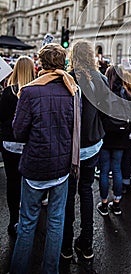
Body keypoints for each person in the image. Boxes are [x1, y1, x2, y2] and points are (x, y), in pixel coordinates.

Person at [9, 43, 79, 274]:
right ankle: (51, 270)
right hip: (61, 166)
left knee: (28, 222)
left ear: (41, 63)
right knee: (56, 222)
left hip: (35, 166)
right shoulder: (72, 89)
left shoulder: (29, 91)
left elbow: (18, 131)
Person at [61, 40, 107, 261]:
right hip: (92, 145)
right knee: (86, 191)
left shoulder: (66, 78)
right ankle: (87, 245)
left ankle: (66, 246)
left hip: (70, 148)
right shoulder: (101, 79)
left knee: (68, 195)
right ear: (91, 56)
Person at [0, 56, 35, 238]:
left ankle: (14, 220)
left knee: (12, 181)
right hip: (28, 143)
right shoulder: (36, 91)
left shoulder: (7, 92)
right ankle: (27, 219)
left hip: (10, 143)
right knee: (28, 182)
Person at [97, 65, 131, 216]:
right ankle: (117, 204)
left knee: (104, 171)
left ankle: (104, 204)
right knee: (117, 169)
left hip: (105, 137)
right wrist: (125, 133)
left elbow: (98, 117)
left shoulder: (103, 94)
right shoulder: (126, 94)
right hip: (120, 138)